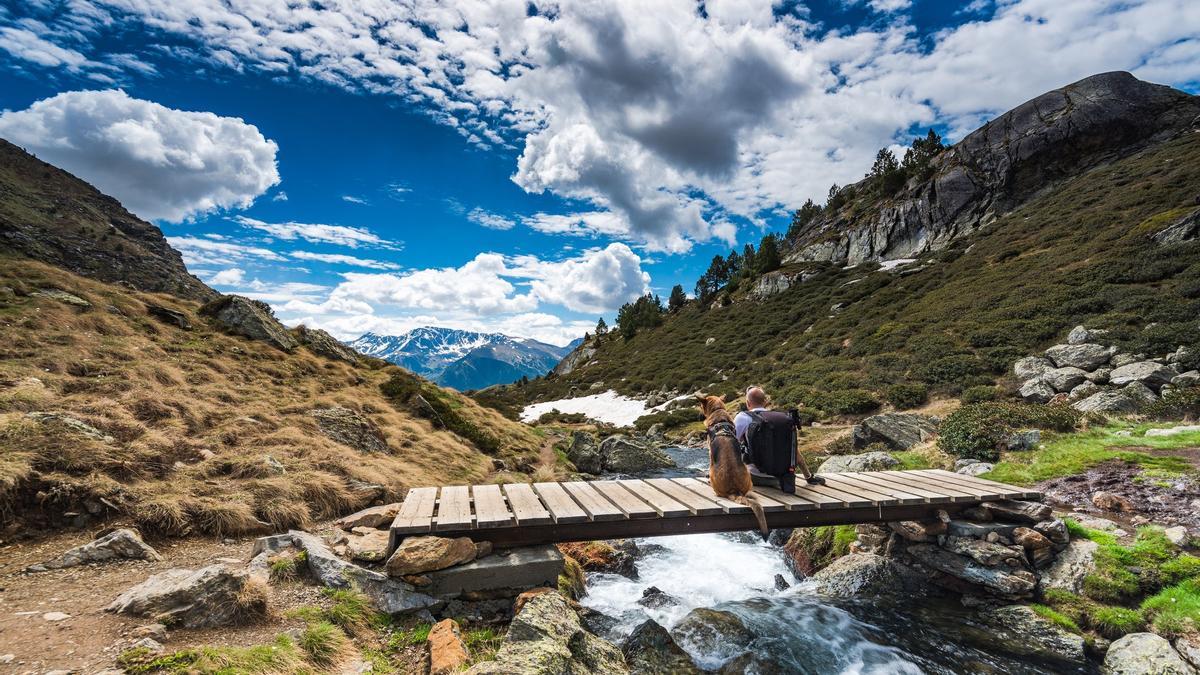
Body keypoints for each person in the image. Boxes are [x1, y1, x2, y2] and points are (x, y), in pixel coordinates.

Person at [734, 386, 824, 492]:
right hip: (783, 479)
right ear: (765, 402)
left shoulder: (743, 417)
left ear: (748, 403)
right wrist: (809, 477)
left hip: (754, 477)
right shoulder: (782, 418)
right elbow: (795, 451)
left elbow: (728, 445)